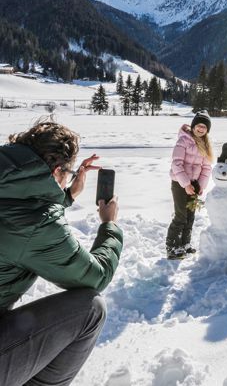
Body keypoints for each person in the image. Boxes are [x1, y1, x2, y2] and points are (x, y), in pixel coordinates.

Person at [0, 120, 123, 386]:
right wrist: (109, 224)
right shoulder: (34, 223)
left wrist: (65, 195)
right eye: (66, 173)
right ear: (57, 171)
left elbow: (17, 206)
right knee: (91, 310)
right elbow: (95, 276)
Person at [166, 110, 214, 260]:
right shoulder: (183, 141)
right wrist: (186, 184)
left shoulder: (205, 145)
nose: (201, 129)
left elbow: (206, 168)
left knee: (190, 216)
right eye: (198, 126)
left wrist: (200, 185)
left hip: (193, 184)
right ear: (193, 126)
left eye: (204, 127)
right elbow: (176, 163)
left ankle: (185, 244)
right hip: (179, 183)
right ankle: (173, 246)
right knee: (181, 215)